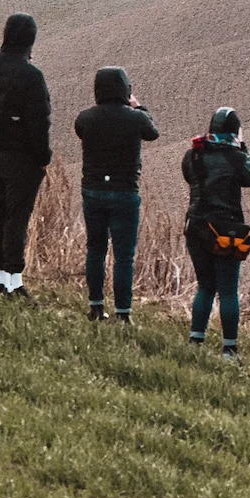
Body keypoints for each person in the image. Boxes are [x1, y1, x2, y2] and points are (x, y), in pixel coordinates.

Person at [73, 67, 159, 323]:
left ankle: (96, 307)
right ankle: (123, 313)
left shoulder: (85, 118)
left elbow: (80, 131)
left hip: (93, 190)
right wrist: (138, 107)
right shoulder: (135, 118)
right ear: (125, 88)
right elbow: (152, 133)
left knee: (95, 250)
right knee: (123, 256)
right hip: (124, 192)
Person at [0, 14, 51, 300]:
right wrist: (43, 156)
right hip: (22, 159)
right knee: (17, 219)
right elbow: (39, 123)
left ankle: (0, 280)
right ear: (30, 40)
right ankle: (14, 284)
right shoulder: (31, 76)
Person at [183, 108, 250, 359]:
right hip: (226, 230)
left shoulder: (193, 154)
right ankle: (229, 349)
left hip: (195, 227)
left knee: (205, 285)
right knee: (227, 290)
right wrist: (243, 147)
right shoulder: (235, 157)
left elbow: (189, 177)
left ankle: (196, 341)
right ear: (235, 131)